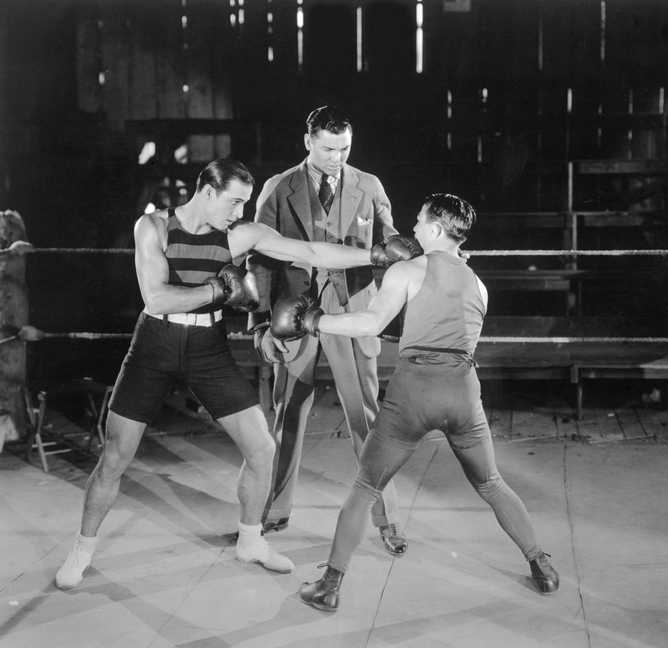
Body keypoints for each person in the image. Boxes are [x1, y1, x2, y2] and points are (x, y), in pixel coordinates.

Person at [55, 158, 417, 590]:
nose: (239, 213)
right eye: (234, 202)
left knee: (262, 448)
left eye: (245, 203)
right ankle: (82, 549)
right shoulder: (152, 227)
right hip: (155, 344)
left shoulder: (238, 235)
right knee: (115, 456)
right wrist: (218, 290)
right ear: (206, 191)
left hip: (207, 346)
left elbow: (310, 251)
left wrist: (374, 255)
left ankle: (250, 540)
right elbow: (157, 297)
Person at [268, 193, 560, 611]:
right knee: (491, 482)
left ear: (438, 229)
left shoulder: (409, 269)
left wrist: (315, 320)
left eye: (421, 221)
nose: (415, 227)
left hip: (415, 391)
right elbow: (450, 332)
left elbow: (370, 323)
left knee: (367, 485)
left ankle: (330, 584)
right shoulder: (479, 283)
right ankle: (542, 567)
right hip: (463, 391)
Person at [246, 106, 410, 554]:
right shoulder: (279, 187)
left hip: (351, 313)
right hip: (293, 313)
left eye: (345, 148)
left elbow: (393, 244)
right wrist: (260, 322)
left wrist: (436, 257)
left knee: (369, 419)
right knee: (286, 412)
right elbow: (258, 256)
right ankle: (269, 512)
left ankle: (388, 518)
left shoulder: (369, 185)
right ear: (308, 141)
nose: (337, 157)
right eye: (327, 148)